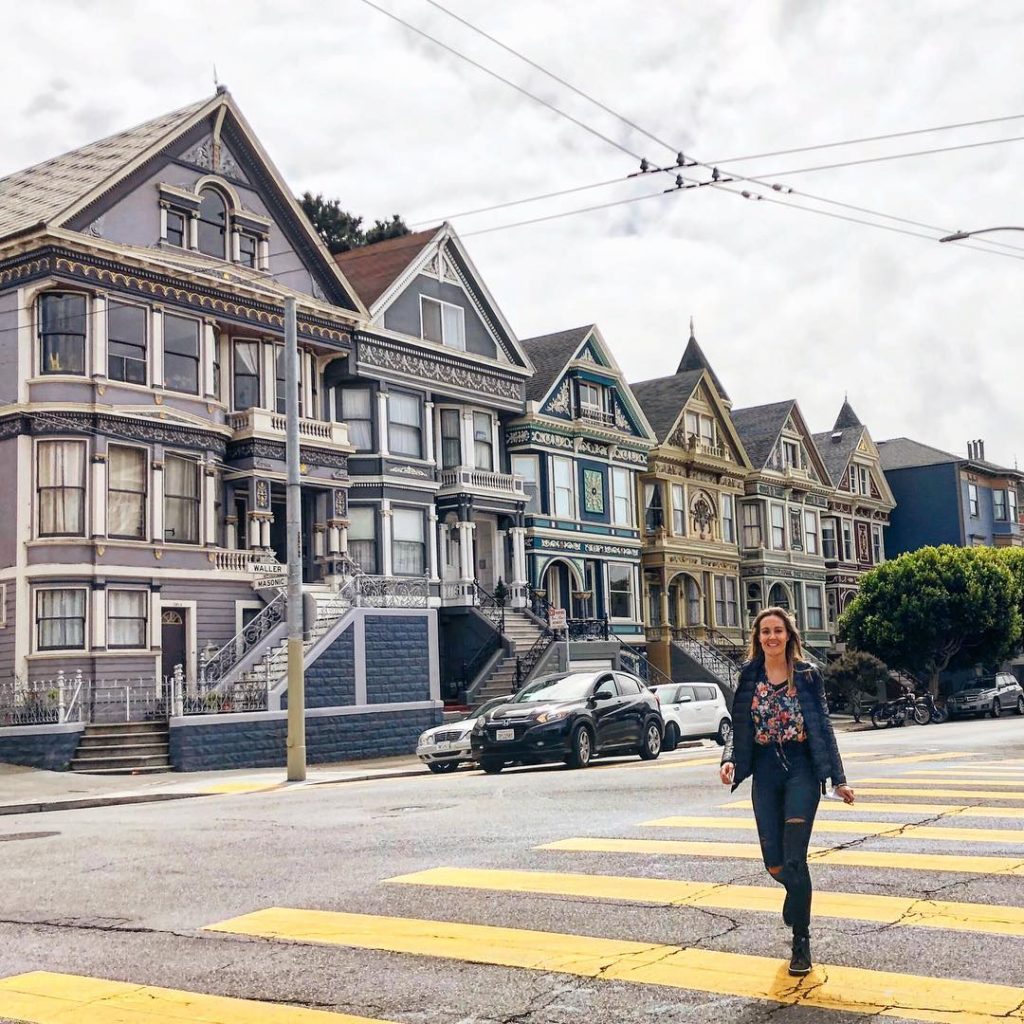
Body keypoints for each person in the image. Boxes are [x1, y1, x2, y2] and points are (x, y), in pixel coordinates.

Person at [719, 606, 855, 976]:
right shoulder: (749, 675)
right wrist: (729, 759)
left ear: (789, 636)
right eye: (765, 631)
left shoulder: (808, 675)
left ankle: (801, 941)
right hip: (765, 770)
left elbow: (823, 727)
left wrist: (839, 778)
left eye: (778, 630)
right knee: (774, 863)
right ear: (758, 638)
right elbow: (738, 726)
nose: (772, 637)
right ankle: (795, 894)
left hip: (801, 769)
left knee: (795, 859)